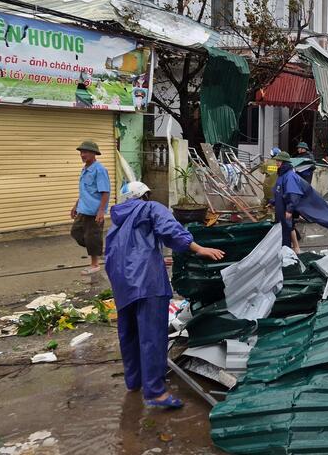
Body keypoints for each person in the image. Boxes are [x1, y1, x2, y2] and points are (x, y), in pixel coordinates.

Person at [105, 181, 225, 409]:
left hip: (122, 284)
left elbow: (119, 251)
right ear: (144, 196)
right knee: (152, 336)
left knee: (129, 333)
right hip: (147, 281)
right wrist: (199, 249)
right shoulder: (151, 208)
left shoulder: (117, 220)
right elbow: (170, 230)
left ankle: (134, 381)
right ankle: (155, 392)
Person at [273, 151, 328, 251]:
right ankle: (294, 249)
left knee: (287, 232)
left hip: (285, 209)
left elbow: (293, 194)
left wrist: (289, 210)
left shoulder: (289, 176)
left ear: (284, 162)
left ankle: (289, 252)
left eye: (279, 161)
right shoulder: (282, 175)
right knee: (288, 228)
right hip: (281, 209)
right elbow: (279, 191)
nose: (276, 163)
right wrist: (272, 202)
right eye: (277, 160)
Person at [70, 140, 111, 275]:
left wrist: (101, 211)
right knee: (76, 232)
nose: (82, 155)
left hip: (94, 212)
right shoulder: (85, 169)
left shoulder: (99, 170)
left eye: (86, 152)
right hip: (83, 209)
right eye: (81, 152)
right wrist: (75, 206)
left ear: (94, 154)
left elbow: (105, 192)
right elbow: (85, 191)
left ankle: (95, 264)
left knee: (92, 237)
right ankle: (97, 250)